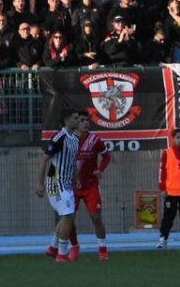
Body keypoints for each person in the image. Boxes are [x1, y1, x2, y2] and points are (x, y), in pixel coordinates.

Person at [38, 110, 82, 263]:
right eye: (76, 118)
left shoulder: (75, 139)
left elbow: (73, 161)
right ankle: (62, 254)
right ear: (67, 119)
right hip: (56, 183)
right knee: (68, 216)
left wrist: (76, 178)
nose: (79, 121)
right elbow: (44, 160)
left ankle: (52, 248)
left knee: (67, 216)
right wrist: (40, 184)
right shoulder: (58, 138)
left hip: (67, 183)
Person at [73, 114, 112, 260]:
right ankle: (74, 246)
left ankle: (103, 249)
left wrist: (100, 170)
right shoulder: (71, 140)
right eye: (82, 120)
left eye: (87, 120)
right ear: (75, 123)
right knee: (69, 219)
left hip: (91, 186)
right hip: (73, 187)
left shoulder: (95, 140)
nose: (85, 123)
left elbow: (107, 156)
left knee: (96, 217)